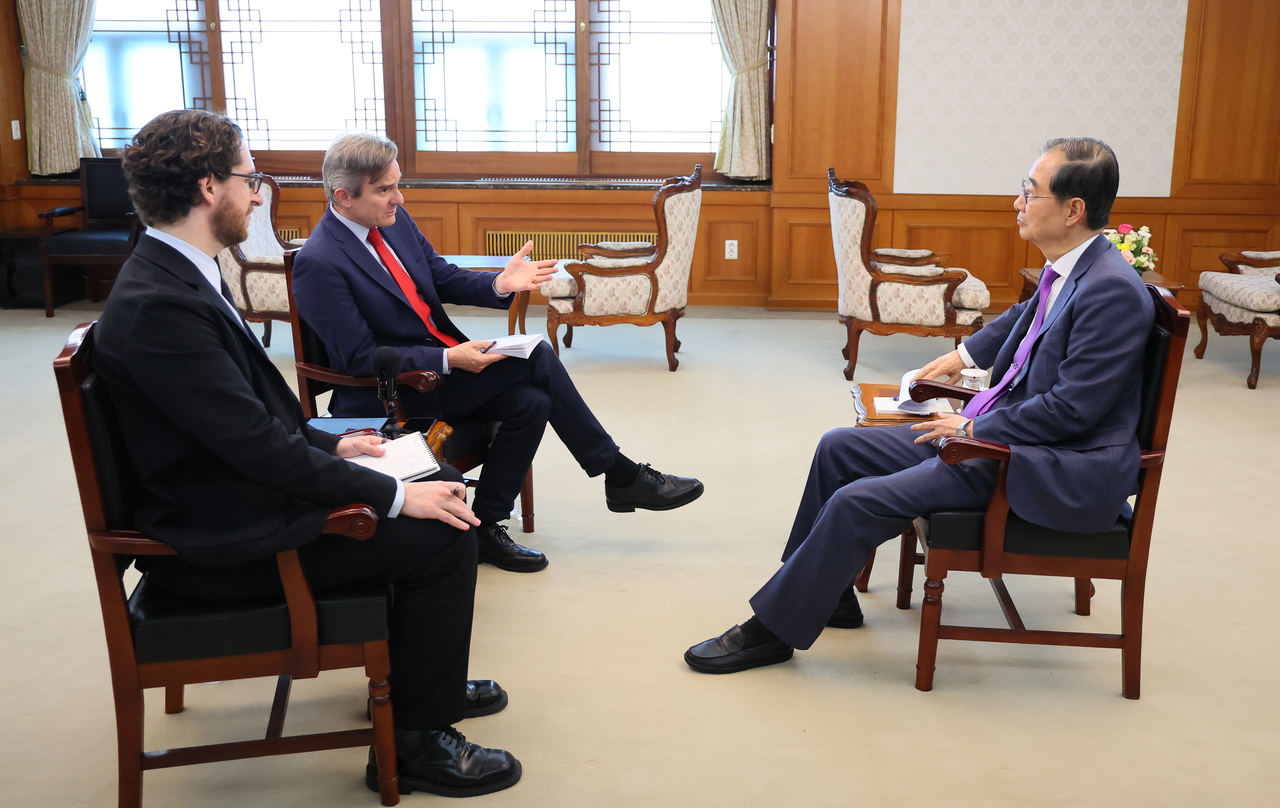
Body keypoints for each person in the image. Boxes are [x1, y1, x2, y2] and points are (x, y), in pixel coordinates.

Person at [94, 109, 522, 797]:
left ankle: (422, 677)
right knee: (440, 526)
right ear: (209, 188)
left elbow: (236, 423)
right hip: (220, 543)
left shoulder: (173, 272)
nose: (258, 194)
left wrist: (328, 437)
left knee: (428, 469)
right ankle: (417, 739)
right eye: (248, 178)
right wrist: (388, 492)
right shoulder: (160, 306)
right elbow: (253, 448)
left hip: (224, 494)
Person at [684, 137, 1155, 674]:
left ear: (1074, 210)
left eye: (1030, 192)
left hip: (1038, 460)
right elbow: (1025, 318)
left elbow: (1073, 411)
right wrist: (959, 355)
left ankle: (773, 630)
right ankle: (824, 592)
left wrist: (974, 422)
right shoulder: (1074, 266)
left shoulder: (1111, 291)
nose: (1018, 203)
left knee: (855, 502)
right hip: (1002, 436)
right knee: (839, 448)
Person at [291, 133, 704, 574]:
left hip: (444, 367)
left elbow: (443, 277)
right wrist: (451, 360)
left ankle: (485, 525)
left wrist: (498, 284)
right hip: (395, 394)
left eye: (398, 184)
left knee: (533, 401)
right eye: (386, 189)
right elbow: (359, 359)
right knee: (540, 356)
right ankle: (619, 474)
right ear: (343, 196)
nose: (400, 197)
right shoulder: (320, 261)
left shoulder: (394, 221)